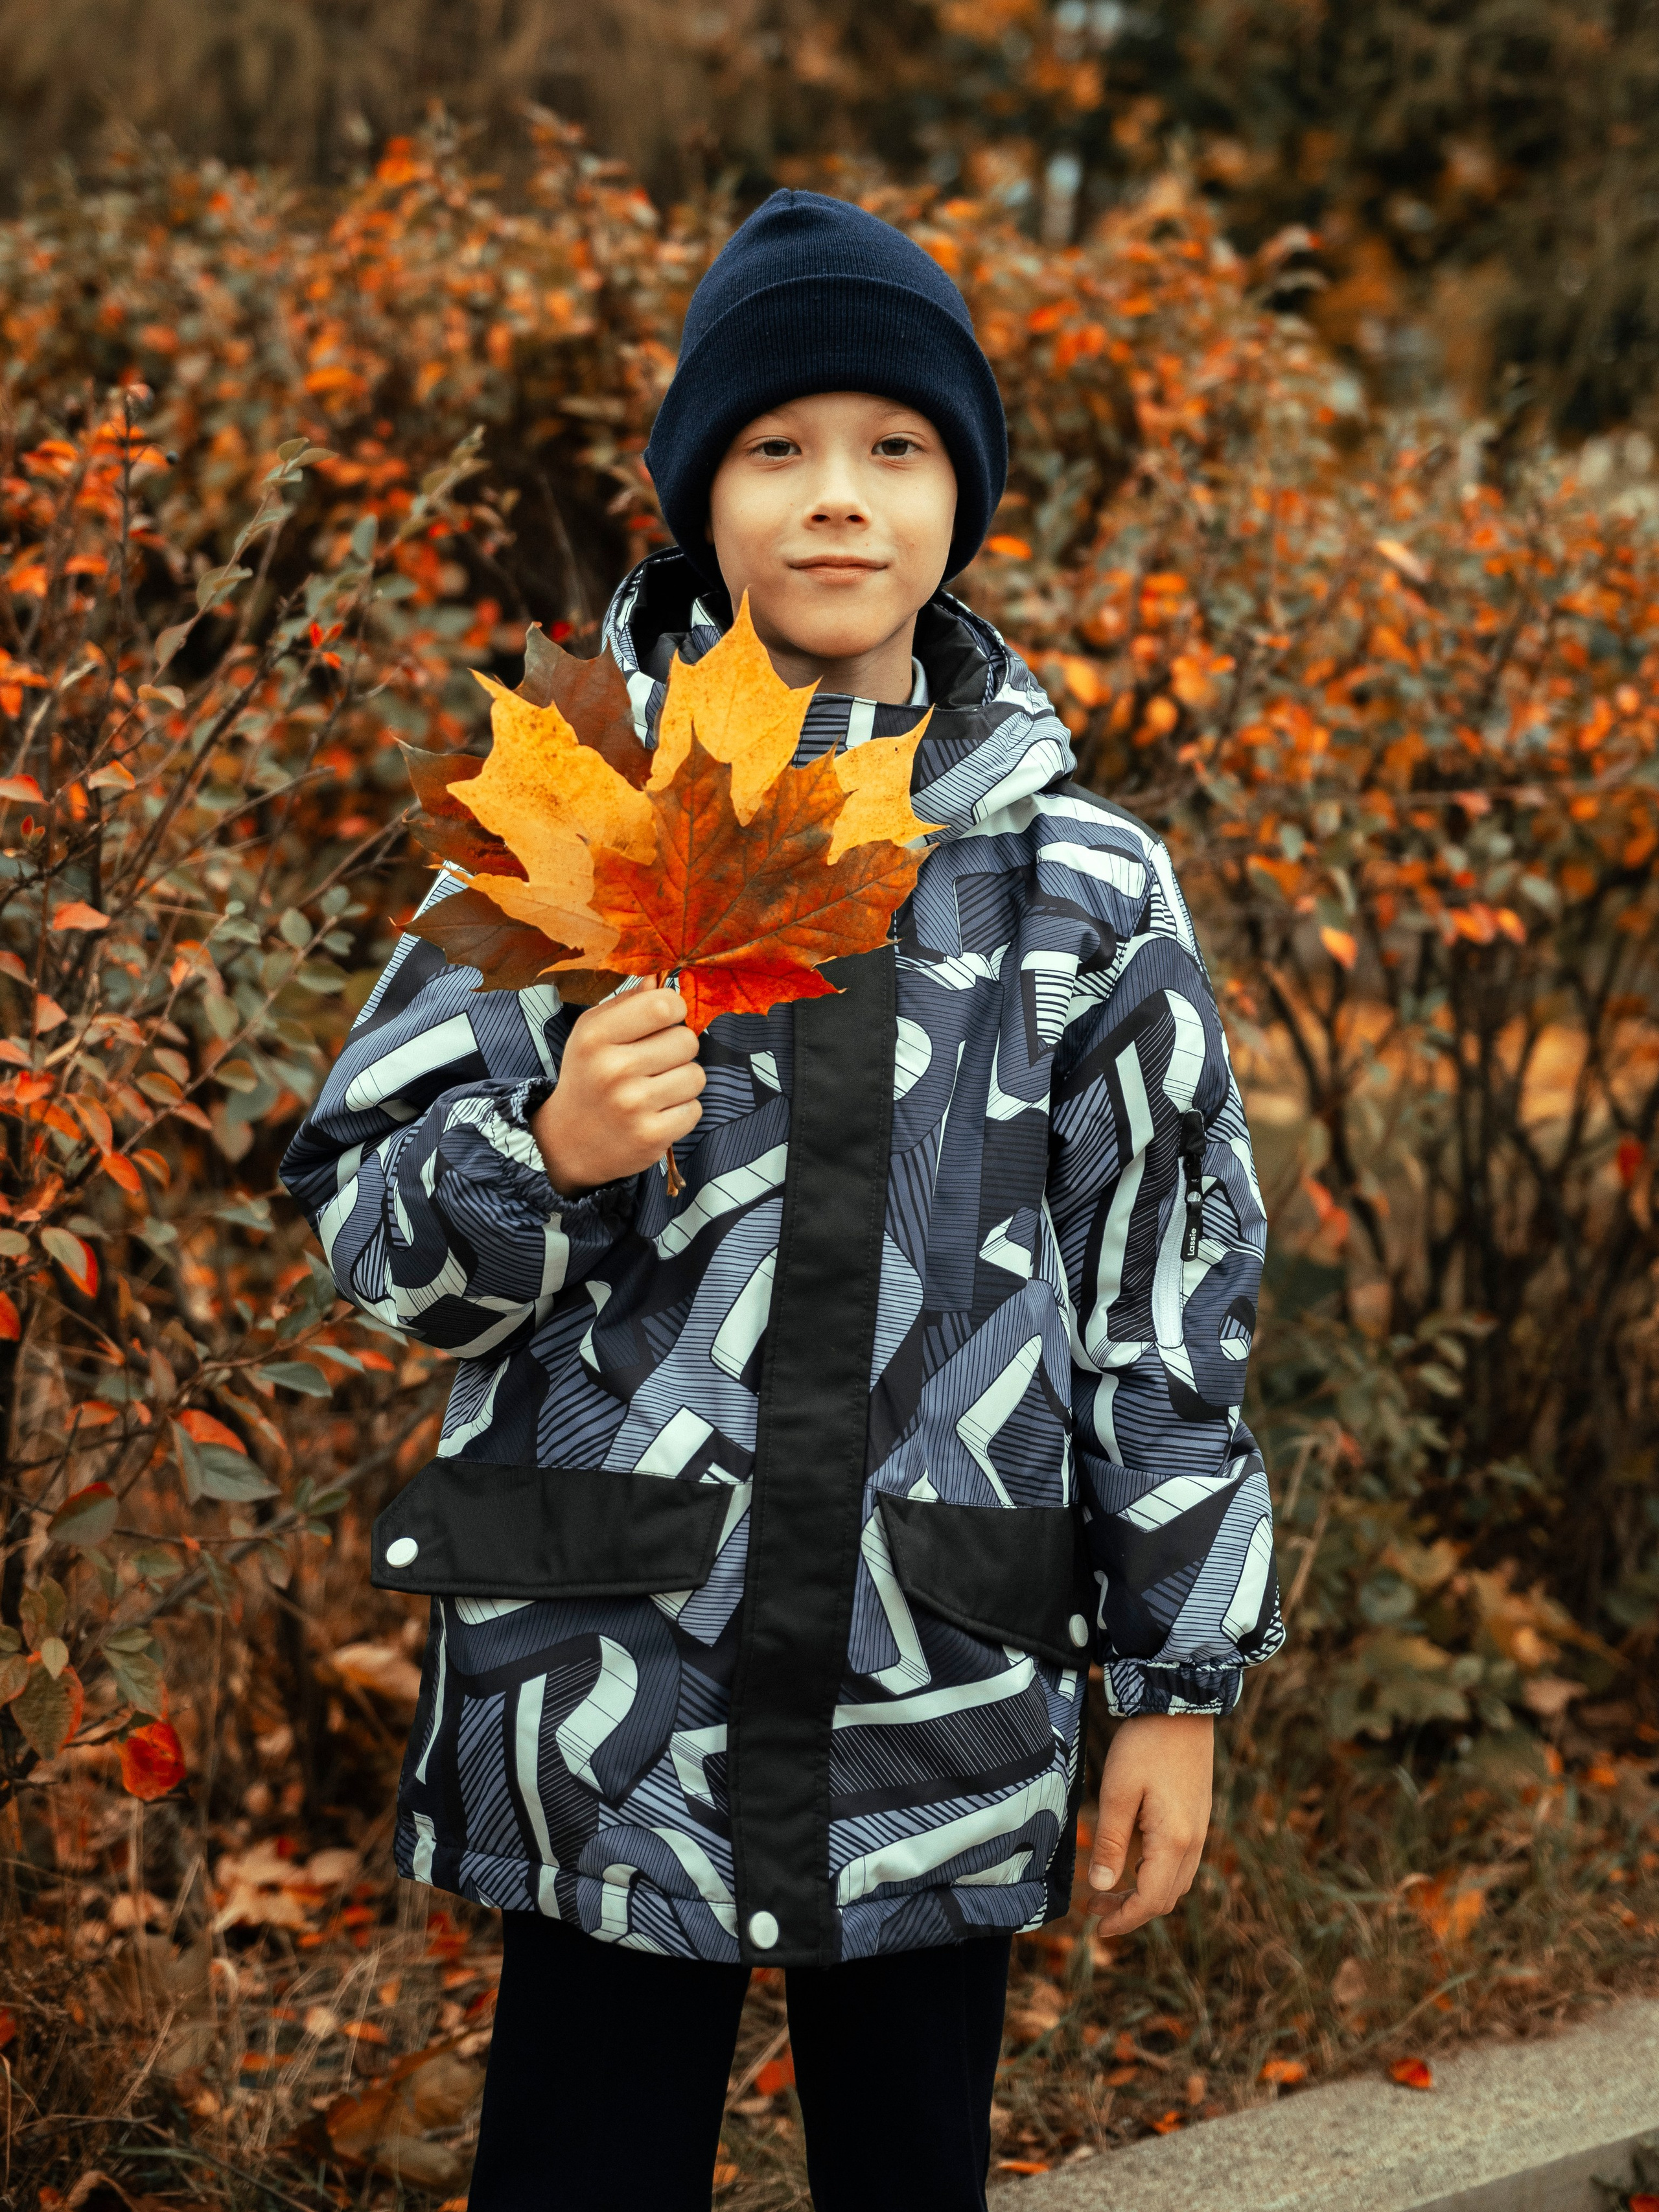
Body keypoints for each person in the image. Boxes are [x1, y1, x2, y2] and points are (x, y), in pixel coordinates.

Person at [279, 189, 1281, 2212]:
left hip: (943, 1666)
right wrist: (545, 1156)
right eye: (777, 447)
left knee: (909, 2172)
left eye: (895, 448)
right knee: (583, 2165)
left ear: (961, 497)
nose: (839, 501)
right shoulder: (570, 826)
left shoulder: (1076, 890)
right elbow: (368, 1235)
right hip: (608, 1681)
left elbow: (1169, 1294)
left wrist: (1174, 1685)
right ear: (694, 492)